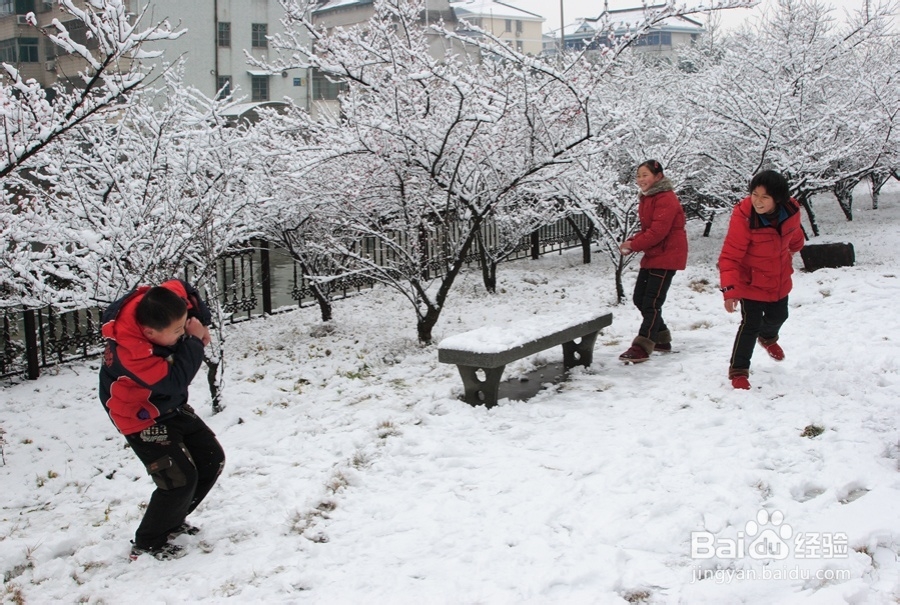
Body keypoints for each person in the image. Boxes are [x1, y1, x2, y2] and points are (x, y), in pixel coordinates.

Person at [99, 279, 225, 560]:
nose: (182, 333)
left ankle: (172, 521)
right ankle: (147, 542)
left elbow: (184, 289)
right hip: (139, 416)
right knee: (178, 480)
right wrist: (193, 341)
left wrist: (198, 322)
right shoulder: (130, 354)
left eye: (183, 327)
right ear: (149, 332)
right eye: (177, 331)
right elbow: (175, 381)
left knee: (211, 459)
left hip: (170, 407)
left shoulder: (160, 303)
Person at [718, 170, 805, 390]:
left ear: (778, 199)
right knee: (750, 324)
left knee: (780, 315)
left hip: (778, 277)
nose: (757, 201)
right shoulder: (745, 217)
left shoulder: (792, 210)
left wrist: (795, 248)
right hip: (751, 281)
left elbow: (794, 234)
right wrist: (730, 290)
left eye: (764, 197)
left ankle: (767, 338)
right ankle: (739, 371)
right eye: (754, 194)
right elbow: (730, 255)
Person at [618, 159, 688, 363]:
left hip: (667, 255)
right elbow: (649, 229)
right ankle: (661, 337)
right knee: (640, 298)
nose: (640, 179)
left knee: (651, 302)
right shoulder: (649, 198)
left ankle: (642, 345)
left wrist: (634, 245)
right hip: (655, 254)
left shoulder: (665, 198)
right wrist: (632, 241)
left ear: (658, 177)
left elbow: (658, 231)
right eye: (638, 175)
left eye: (645, 175)